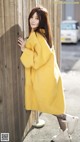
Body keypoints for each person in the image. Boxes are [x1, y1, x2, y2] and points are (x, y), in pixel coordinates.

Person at [18, 6, 79, 142]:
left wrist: (24, 50)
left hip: (44, 78)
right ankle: (64, 135)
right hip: (51, 75)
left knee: (45, 105)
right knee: (54, 104)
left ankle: (69, 118)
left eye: (37, 18)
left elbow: (39, 59)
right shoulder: (44, 34)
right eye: (31, 17)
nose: (32, 21)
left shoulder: (37, 36)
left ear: (42, 21)